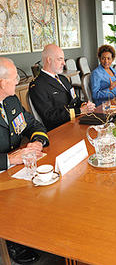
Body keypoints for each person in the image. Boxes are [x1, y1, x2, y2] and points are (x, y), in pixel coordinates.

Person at [0, 57, 50, 263]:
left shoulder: (10, 101)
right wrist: (9, 159)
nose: (19, 79)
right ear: (2, 82)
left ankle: (33, 231)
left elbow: (33, 124)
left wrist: (38, 141)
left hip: (16, 169)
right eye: (14, 78)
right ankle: (12, 242)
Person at [29, 44, 95, 131]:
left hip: (76, 121)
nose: (64, 63)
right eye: (60, 59)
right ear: (49, 60)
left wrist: (85, 105)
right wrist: (79, 111)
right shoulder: (38, 85)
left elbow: (75, 100)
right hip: (60, 129)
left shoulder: (63, 79)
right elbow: (50, 116)